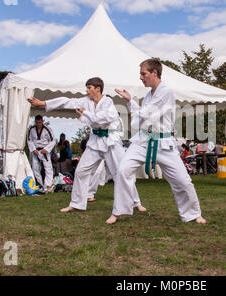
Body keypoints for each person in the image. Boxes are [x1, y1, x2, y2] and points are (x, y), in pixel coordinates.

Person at [111, 58, 206, 225]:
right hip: (143, 140)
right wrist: (129, 101)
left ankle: (192, 213)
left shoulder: (165, 91)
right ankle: (119, 210)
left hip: (163, 142)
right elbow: (144, 113)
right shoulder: (149, 95)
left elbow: (145, 114)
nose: (140, 77)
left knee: (182, 180)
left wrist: (134, 121)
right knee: (123, 170)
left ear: (154, 73)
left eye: (143, 73)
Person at [28, 77, 145, 212]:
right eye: (87, 88)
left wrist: (85, 113)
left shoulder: (108, 102)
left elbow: (103, 119)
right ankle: (77, 203)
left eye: (89, 88)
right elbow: (67, 102)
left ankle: (135, 202)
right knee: (81, 171)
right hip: (95, 141)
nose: (87, 90)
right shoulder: (85, 101)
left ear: (98, 89)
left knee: (121, 172)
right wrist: (43, 103)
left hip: (110, 140)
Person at [27, 115, 56, 193]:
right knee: (35, 168)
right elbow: (29, 140)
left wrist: (46, 149)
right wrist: (33, 149)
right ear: (35, 122)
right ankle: (40, 184)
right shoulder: (31, 129)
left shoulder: (47, 129)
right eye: (37, 122)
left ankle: (48, 186)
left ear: (42, 121)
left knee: (48, 168)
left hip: (44, 150)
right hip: (35, 151)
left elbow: (53, 141)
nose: (39, 124)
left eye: (40, 122)